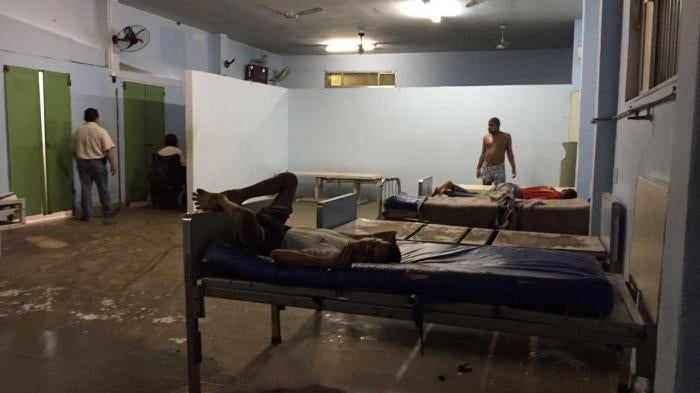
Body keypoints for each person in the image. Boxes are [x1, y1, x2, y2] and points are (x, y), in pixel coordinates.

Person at [193, 173, 401, 268]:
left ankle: (221, 199)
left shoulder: (333, 255)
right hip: (281, 226)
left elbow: (276, 254)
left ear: (367, 262)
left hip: (268, 240)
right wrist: (380, 237)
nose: (368, 246)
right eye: (373, 244)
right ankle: (239, 195)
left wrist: (327, 263)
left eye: (371, 253)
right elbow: (366, 238)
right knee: (289, 180)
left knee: (246, 217)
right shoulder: (349, 242)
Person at [72, 108, 117, 221]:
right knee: (103, 188)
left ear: (85, 118)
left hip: (82, 163)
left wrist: (79, 161)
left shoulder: (78, 132)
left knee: (85, 188)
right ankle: (107, 211)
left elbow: (73, 150)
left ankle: (87, 215)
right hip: (98, 163)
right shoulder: (101, 131)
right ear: (97, 118)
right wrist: (113, 164)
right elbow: (108, 150)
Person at [476, 117, 516, 186]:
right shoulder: (486, 137)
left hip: (499, 168)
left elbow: (509, 153)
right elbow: (483, 153)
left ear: (498, 126)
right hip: (487, 166)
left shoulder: (506, 136)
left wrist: (513, 168)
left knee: (500, 190)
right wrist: (478, 168)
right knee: (486, 190)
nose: (489, 127)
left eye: (491, 125)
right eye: (488, 125)